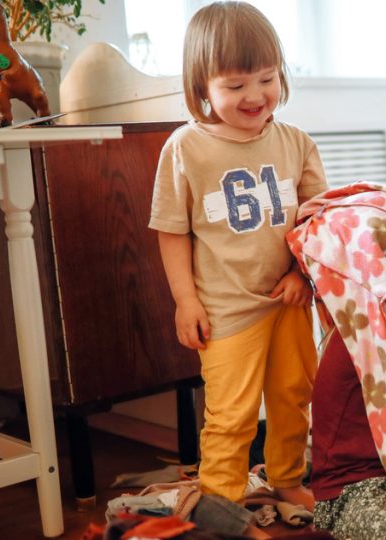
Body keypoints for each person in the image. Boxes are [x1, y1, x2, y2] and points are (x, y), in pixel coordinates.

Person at [149, 0, 327, 517]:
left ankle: (287, 477)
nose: (255, 95)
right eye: (234, 86)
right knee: (231, 414)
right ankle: (220, 503)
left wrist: (301, 272)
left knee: (295, 398)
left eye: (266, 79)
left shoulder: (296, 143)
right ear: (201, 87)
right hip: (226, 310)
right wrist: (185, 300)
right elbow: (171, 232)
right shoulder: (185, 148)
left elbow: (319, 221)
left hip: (289, 300)